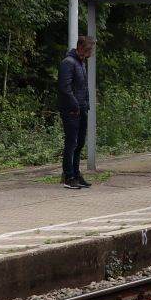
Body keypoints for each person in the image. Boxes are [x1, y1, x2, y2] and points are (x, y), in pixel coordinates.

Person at [58, 36, 94, 189]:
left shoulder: (81, 63)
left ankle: (76, 173)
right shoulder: (68, 63)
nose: (90, 52)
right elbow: (64, 88)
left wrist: (84, 104)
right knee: (71, 143)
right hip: (72, 110)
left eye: (90, 50)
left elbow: (81, 87)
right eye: (88, 49)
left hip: (81, 107)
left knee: (79, 143)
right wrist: (75, 105)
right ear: (80, 47)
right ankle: (69, 175)